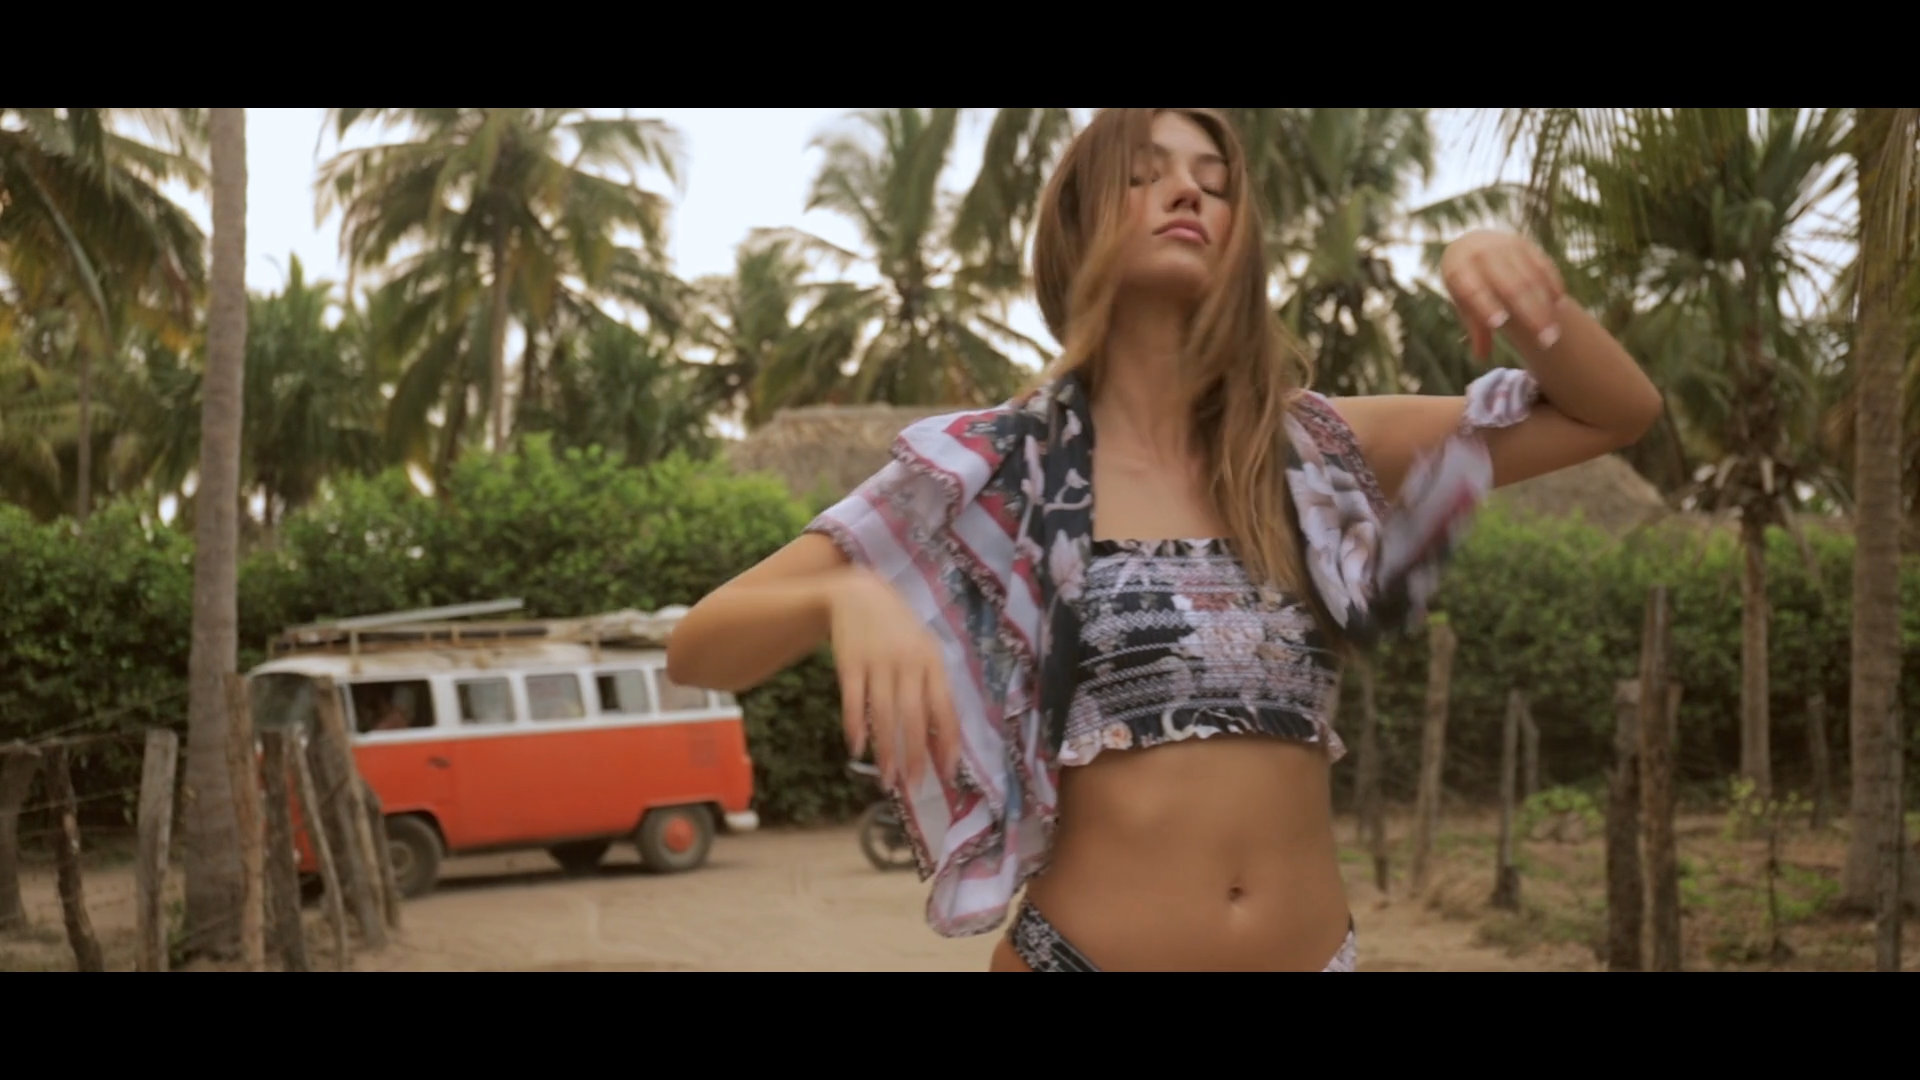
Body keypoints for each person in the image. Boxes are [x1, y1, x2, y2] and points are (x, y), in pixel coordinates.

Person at [666, 108, 1662, 971]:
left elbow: (1612, 412)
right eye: (1147, 174)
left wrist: (1510, 288)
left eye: (1214, 184)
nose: (1188, 192)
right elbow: (700, 646)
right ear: (1079, 224)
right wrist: (843, 593)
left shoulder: (1316, 451)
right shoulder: (998, 469)